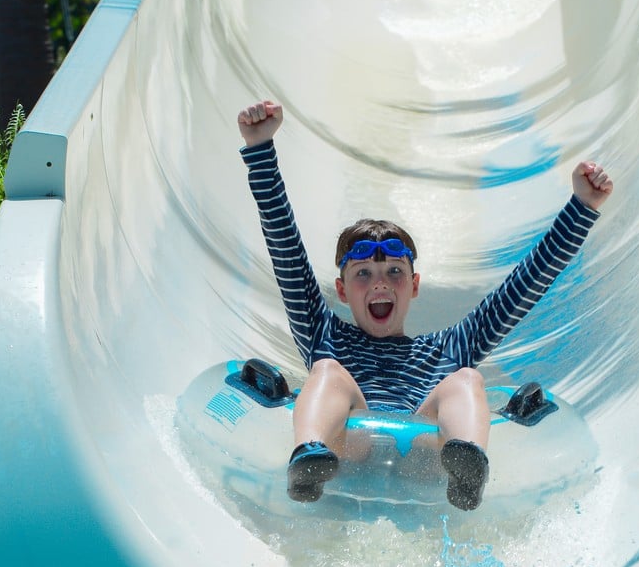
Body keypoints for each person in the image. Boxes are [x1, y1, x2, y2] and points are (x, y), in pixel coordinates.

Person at [238, 100, 614, 510]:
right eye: (363, 273)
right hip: (350, 448)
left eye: (394, 273)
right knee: (326, 370)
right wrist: (260, 149)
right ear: (342, 291)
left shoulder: (449, 348)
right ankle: (308, 458)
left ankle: (467, 467)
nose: (380, 283)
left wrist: (582, 207)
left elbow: (522, 288)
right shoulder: (323, 331)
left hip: (424, 457)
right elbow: (285, 249)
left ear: (414, 285)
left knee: (468, 378)